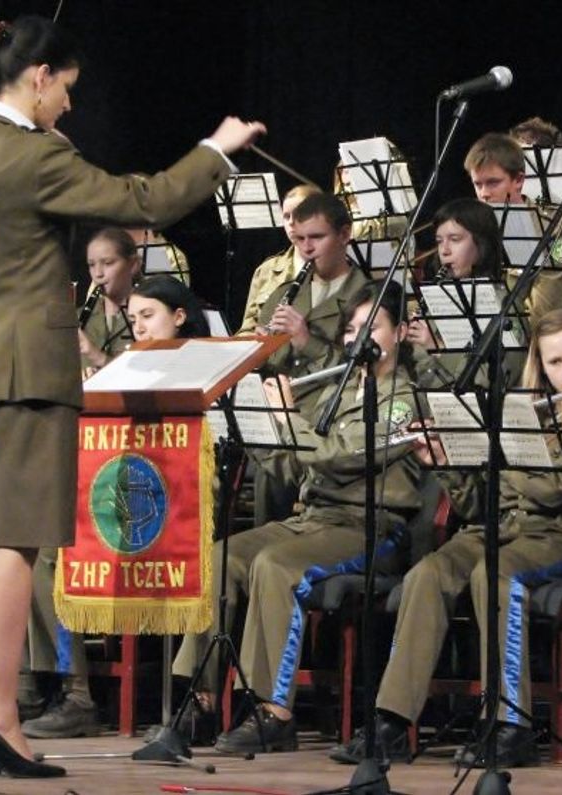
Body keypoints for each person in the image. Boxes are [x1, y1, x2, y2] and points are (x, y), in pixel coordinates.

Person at [0, 14, 263, 778]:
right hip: (25, 371)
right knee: (17, 542)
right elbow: (140, 201)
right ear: (38, 77)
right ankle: (0, 714)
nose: (70, 108)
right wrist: (217, 148)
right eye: (66, 92)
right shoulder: (32, 155)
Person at [330, 307, 562, 769]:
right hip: (498, 527)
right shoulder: (522, 414)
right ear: (540, 367)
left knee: (496, 575)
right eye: (556, 363)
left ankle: (510, 723)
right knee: (429, 571)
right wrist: (445, 460)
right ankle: (392, 719)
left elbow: (560, 490)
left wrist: (499, 460)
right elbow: (476, 504)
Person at [174, 280, 423, 755]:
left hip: (370, 526)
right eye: (350, 329)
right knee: (218, 556)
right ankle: (202, 699)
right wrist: (257, 426)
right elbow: (293, 465)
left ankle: (274, 711)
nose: (356, 338)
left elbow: (340, 456)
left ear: (401, 333)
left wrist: (288, 418)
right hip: (312, 517)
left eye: (371, 327)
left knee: (278, 566)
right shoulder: (332, 392)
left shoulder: (404, 399)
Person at [257, 192, 369, 413]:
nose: (306, 248)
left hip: (329, 412)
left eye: (316, 237)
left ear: (345, 234)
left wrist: (306, 340)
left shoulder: (369, 297)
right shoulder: (284, 294)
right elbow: (268, 366)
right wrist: (257, 353)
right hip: (275, 405)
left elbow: (364, 374)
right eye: (299, 239)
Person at [464, 132, 562, 317]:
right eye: (478, 184)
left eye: (493, 183)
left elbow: (543, 315)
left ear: (518, 180)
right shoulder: (471, 229)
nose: (483, 194)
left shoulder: (551, 231)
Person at [408, 197, 509, 388]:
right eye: (439, 241)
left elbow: (491, 379)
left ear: (482, 244)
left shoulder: (503, 303)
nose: (444, 251)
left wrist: (439, 349)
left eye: (455, 240)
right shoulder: (436, 298)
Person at [237, 182, 323, 334]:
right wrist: (255, 338)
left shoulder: (337, 269)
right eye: (286, 216)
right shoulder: (267, 270)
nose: (291, 222)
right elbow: (246, 329)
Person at [78, 227, 141, 373]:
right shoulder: (78, 318)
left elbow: (145, 377)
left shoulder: (148, 318)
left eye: (107, 263)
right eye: (91, 265)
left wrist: (97, 357)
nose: (98, 274)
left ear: (133, 265)